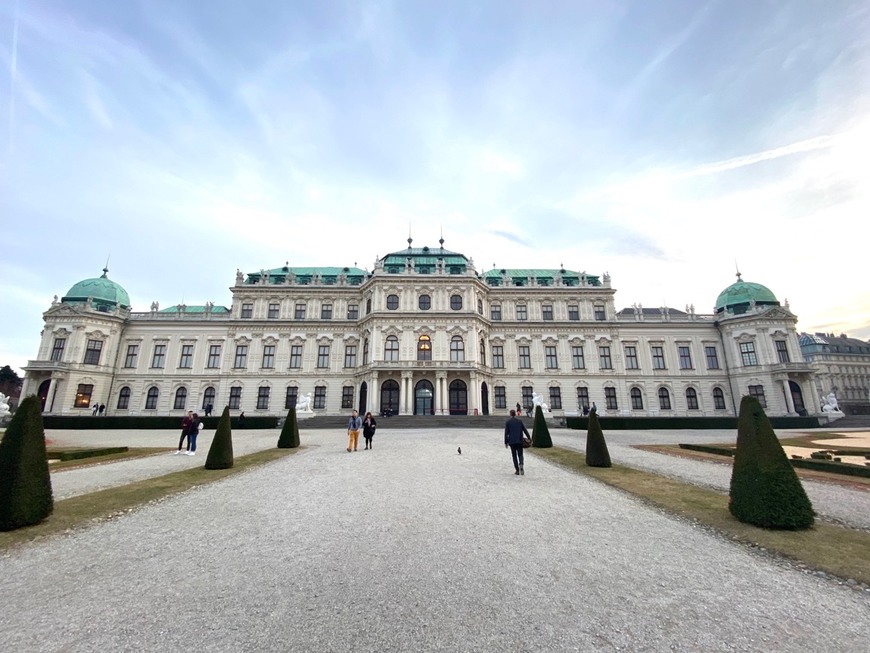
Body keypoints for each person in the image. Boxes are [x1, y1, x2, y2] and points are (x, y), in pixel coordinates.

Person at [504, 409, 531, 476]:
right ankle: (521, 464)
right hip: (519, 441)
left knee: (514, 456)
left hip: (512, 442)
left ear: (510, 414)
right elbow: (525, 430)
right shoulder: (519, 421)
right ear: (515, 414)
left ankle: (517, 470)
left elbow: (506, 433)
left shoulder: (508, 422)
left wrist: (506, 442)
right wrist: (529, 438)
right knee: (520, 454)